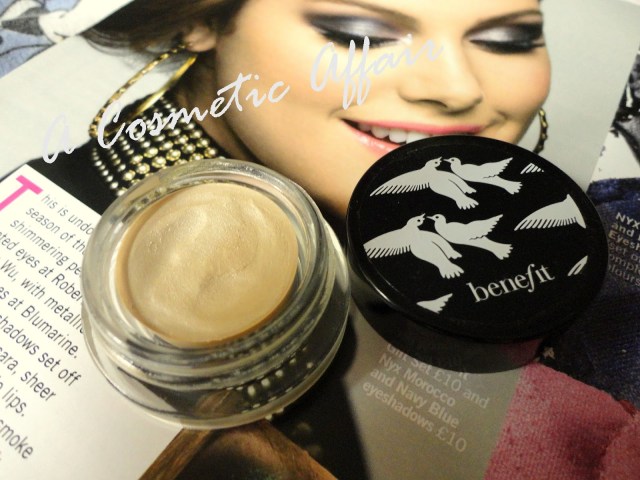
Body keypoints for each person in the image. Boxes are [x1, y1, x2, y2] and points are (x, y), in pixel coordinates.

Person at [29, 0, 550, 218]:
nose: (458, 90)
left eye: (510, 39)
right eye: (359, 33)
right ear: (201, 18)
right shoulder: (40, 226)